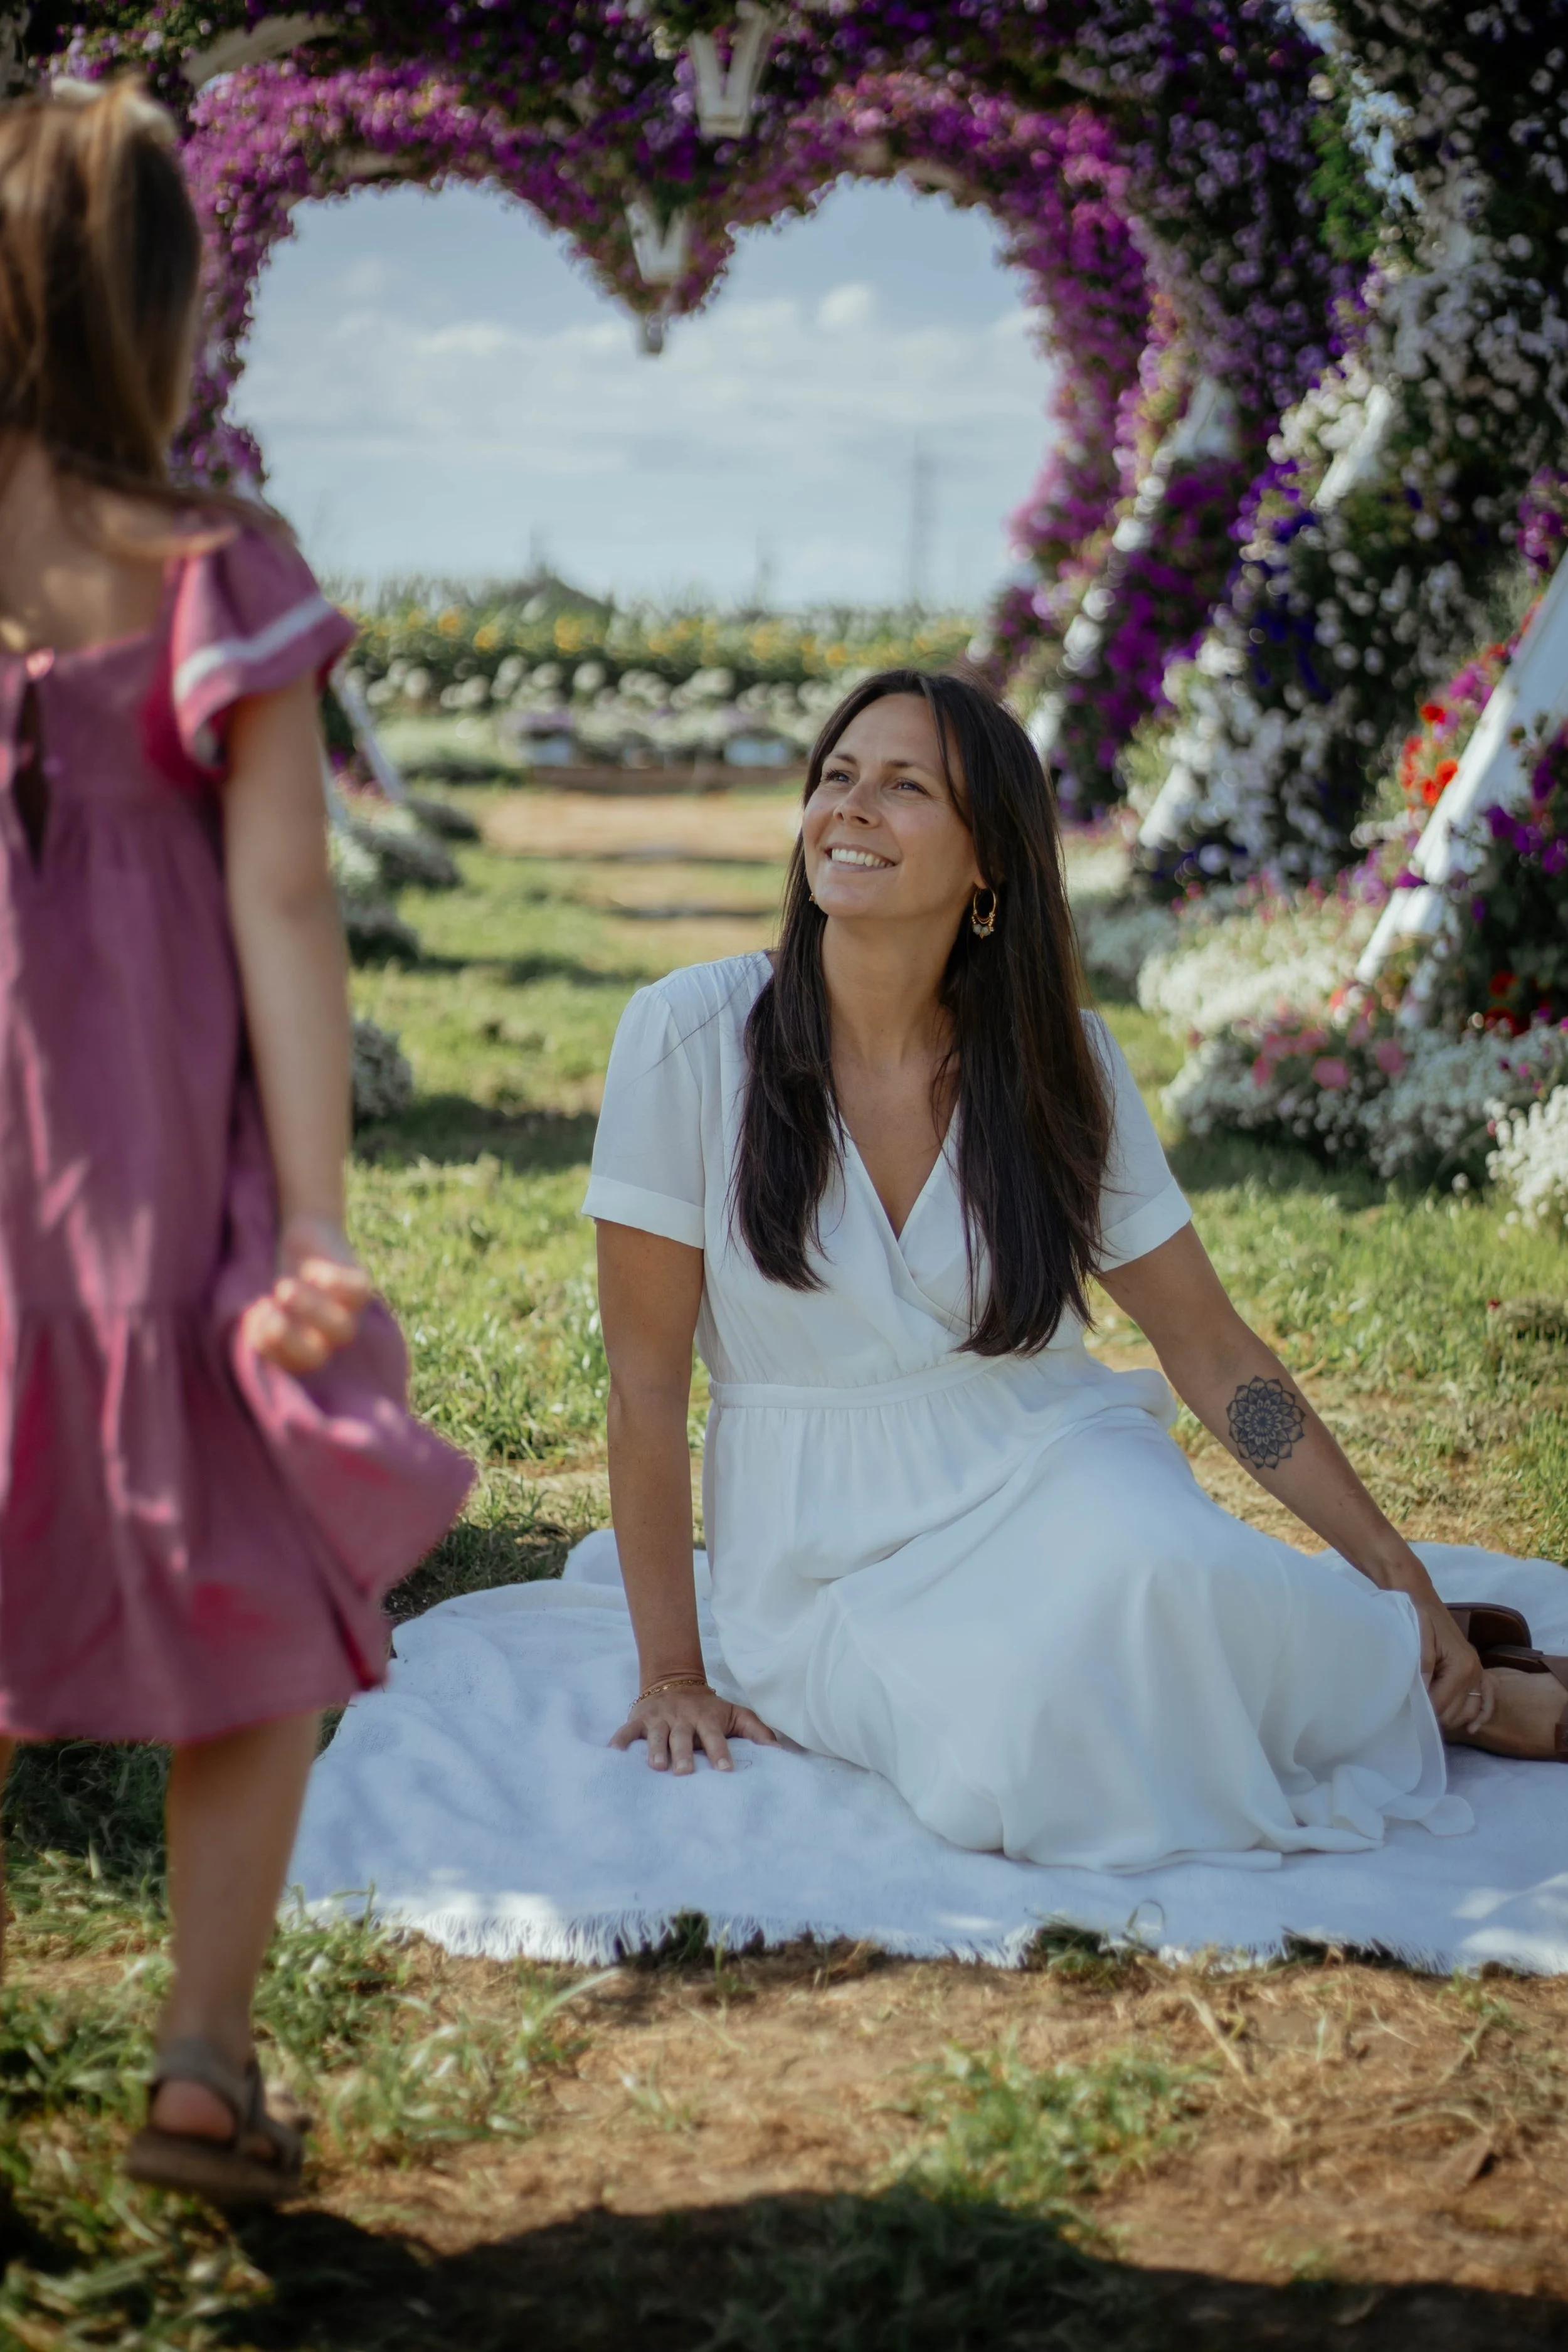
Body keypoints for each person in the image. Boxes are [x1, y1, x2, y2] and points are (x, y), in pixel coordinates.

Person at [588, 667, 1567, 1871]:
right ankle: (1369, 1668)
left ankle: (1420, 1673)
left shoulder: (1063, 1065)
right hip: (819, 1541)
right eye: (836, 778)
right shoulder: (688, 1036)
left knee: (1171, 1572)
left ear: (989, 861)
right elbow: (643, 1386)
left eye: (904, 788)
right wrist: (675, 1670)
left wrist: (1400, 1567)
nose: (851, 809)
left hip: (1041, 1451)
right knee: (1019, 1749)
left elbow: (1209, 1347)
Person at [0, 81, 472, 2204]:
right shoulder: (216, 576)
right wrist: (315, 1223)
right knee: (261, 1590)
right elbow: (286, 904)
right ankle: (199, 2058)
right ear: (171, 321)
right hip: (160, 1194)